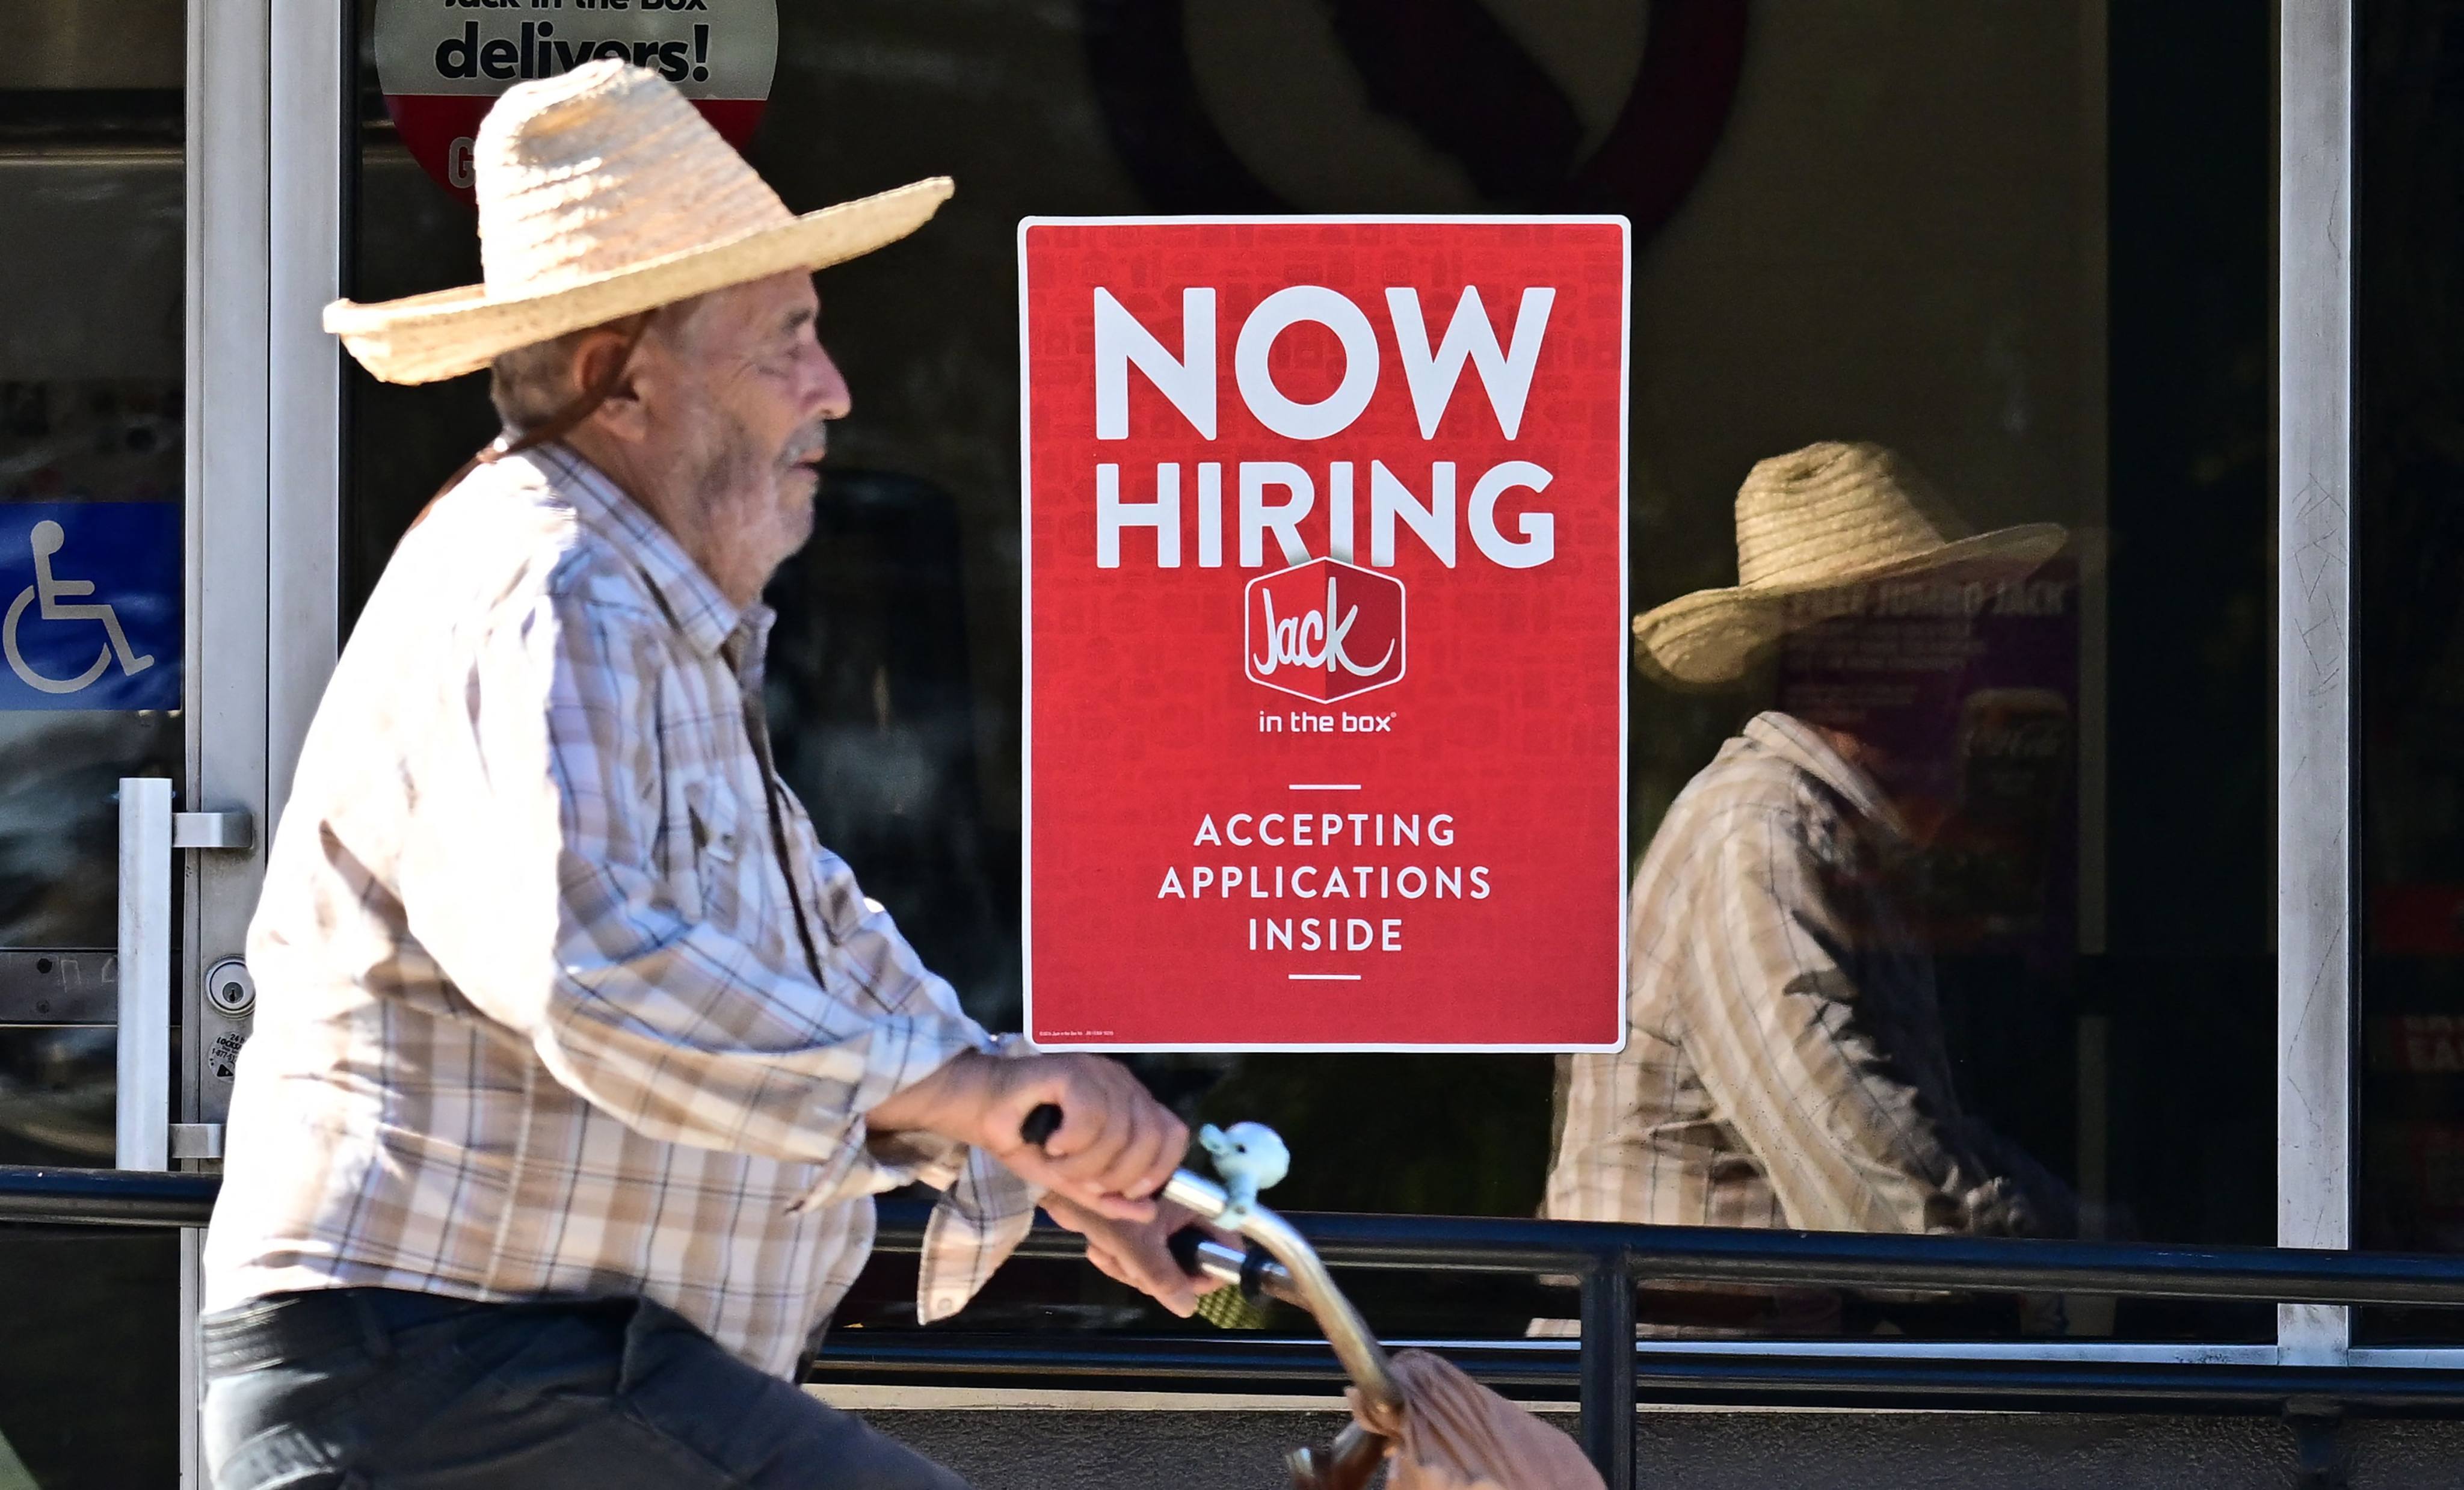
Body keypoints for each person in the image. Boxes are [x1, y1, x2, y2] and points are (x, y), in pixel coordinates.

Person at [200, 62, 1200, 1489]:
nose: (833, 390)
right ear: (625, 372)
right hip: (444, 1377)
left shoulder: (643, 612)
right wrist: (968, 1089)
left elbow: (812, 939)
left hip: (513, 1376)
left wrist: (1036, 1148)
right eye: (784, 338)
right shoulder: (551, 586)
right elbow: (587, 963)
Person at [1542, 441, 2076, 1331]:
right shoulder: (1760, 834)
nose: (1973, 651)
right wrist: (2053, 1258)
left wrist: (2076, 1231)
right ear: (1859, 642)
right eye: (1944, 616)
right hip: (1678, 1420)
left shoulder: (1823, 832)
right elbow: (1871, 1168)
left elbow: (1906, 1127)